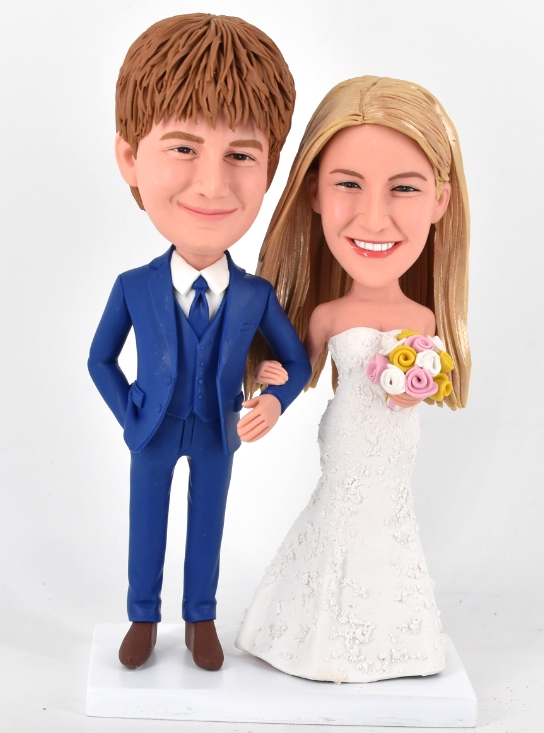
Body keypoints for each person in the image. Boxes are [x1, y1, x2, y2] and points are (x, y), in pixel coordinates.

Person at [88, 13, 311, 673]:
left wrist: (275, 400)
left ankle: (201, 617)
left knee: (208, 523)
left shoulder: (254, 296)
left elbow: (295, 361)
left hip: (218, 429)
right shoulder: (134, 286)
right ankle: (142, 615)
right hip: (153, 428)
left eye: (240, 154)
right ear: (130, 158)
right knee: (147, 522)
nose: (213, 184)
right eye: (184, 147)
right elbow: (100, 358)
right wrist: (129, 410)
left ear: (269, 169)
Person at [236, 76, 471, 682]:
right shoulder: (328, 315)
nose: (373, 216)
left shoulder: (423, 318)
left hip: (396, 442)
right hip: (346, 437)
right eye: (348, 184)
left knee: (389, 518)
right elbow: (300, 368)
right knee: (342, 511)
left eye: (404, 188)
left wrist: (421, 381)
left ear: (440, 201)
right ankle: (314, 630)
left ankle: (398, 638)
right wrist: (272, 390)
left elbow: (433, 375)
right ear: (314, 191)